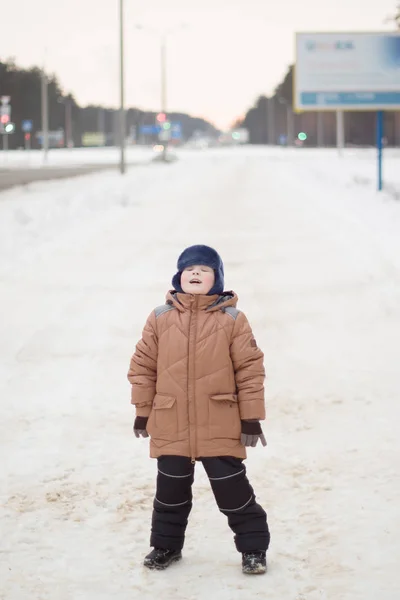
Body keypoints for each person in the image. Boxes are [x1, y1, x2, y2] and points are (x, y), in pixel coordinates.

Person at [127, 245, 270, 574]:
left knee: (234, 494)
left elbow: (250, 370)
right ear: (178, 277)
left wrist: (251, 419)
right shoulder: (160, 318)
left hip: (219, 421)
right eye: (189, 269)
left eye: (204, 270)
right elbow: (142, 367)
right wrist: (143, 410)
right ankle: (165, 547)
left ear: (216, 280)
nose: (195, 274)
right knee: (169, 495)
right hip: (170, 419)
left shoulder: (232, 319)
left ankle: (254, 550)